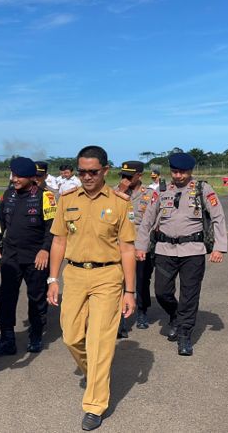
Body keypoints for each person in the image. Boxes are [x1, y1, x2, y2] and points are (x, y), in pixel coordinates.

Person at [47, 146, 136, 431]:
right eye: (82, 171)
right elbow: (58, 242)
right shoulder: (67, 199)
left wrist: (130, 291)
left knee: (99, 340)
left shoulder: (120, 203)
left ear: (105, 171)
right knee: (71, 336)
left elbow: (127, 250)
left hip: (108, 276)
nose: (86, 176)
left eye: (93, 172)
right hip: (73, 275)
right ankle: (98, 372)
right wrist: (52, 279)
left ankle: (95, 403)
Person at [135, 152, 227, 356]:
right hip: (164, 250)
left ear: (191, 171)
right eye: (175, 171)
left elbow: (218, 217)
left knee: (189, 294)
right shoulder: (161, 190)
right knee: (161, 292)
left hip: (193, 251)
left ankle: (184, 335)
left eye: (183, 172)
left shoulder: (203, 189)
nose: (178, 176)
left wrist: (219, 247)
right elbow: (147, 220)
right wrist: (140, 246)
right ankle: (175, 315)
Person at [0, 157, 55, 356]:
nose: (14, 179)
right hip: (11, 256)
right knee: (6, 298)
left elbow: (53, 228)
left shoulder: (46, 197)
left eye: (19, 176)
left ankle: (35, 335)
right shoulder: (8, 195)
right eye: (13, 175)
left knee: (36, 298)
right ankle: (7, 338)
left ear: (32, 177)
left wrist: (45, 250)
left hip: (36, 258)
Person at [114, 161, 157, 336]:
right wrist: (121, 192)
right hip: (118, 245)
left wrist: (144, 246)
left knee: (141, 280)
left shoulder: (150, 194)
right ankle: (119, 320)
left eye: (129, 176)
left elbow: (154, 221)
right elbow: (107, 214)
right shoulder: (113, 192)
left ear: (139, 175)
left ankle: (141, 311)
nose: (125, 179)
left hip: (141, 244)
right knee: (118, 282)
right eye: (123, 176)